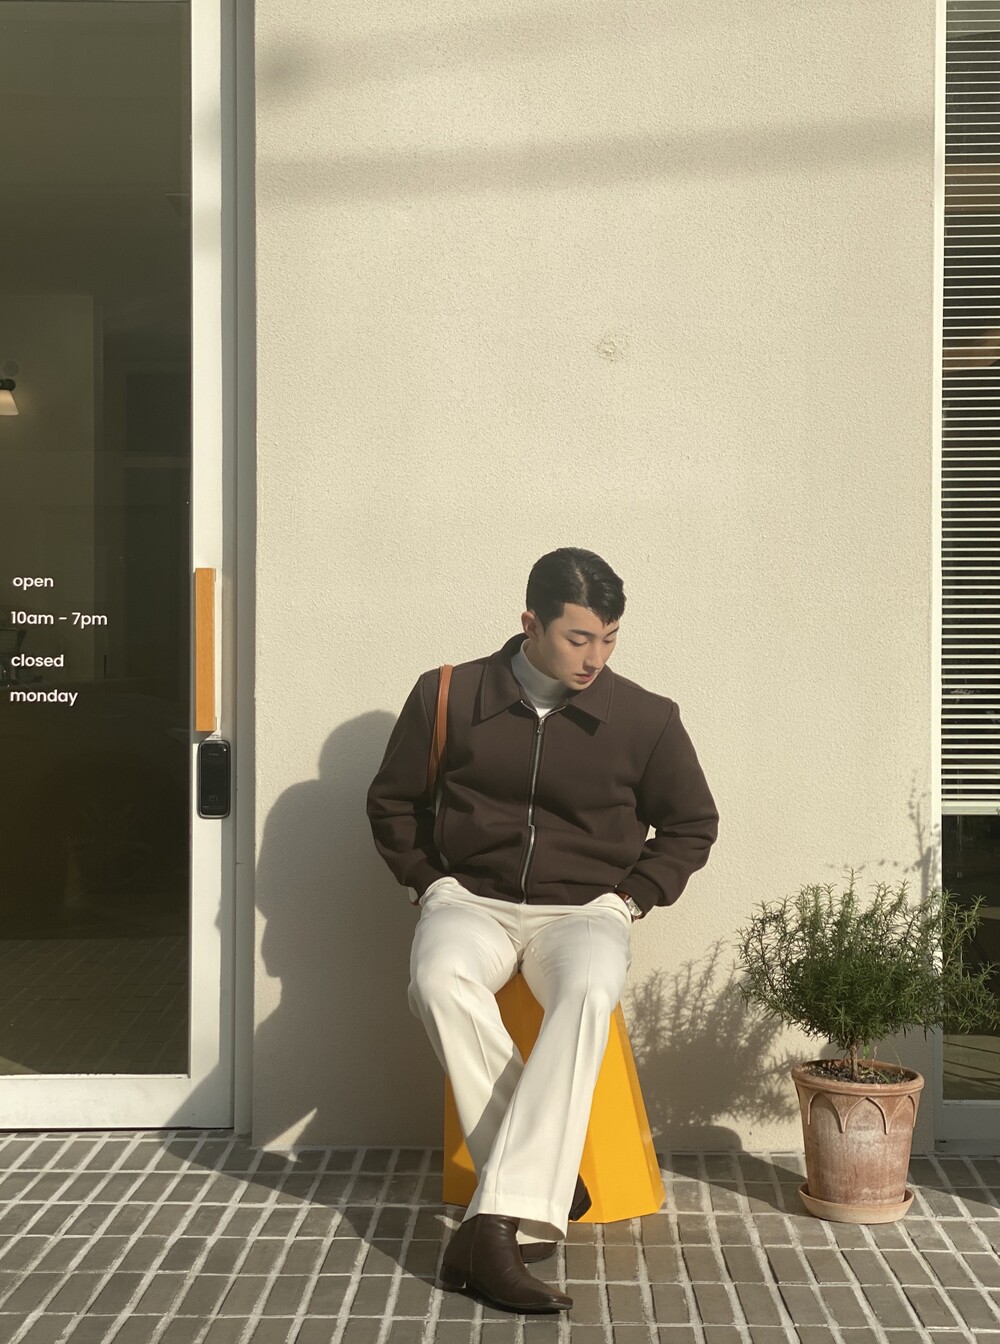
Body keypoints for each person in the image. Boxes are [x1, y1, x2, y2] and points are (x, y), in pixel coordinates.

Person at [366, 548, 719, 1314]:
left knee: (590, 989)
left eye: (609, 639)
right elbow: (392, 802)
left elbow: (692, 824)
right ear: (531, 623)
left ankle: (492, 1228)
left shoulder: (645, 719)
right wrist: (431, 882)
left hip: (584, 910)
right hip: (472, 901)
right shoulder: (449, 696)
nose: (595, 657)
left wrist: (628, 901)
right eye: (578, 638)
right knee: (436, 980)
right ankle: (540, 1186)